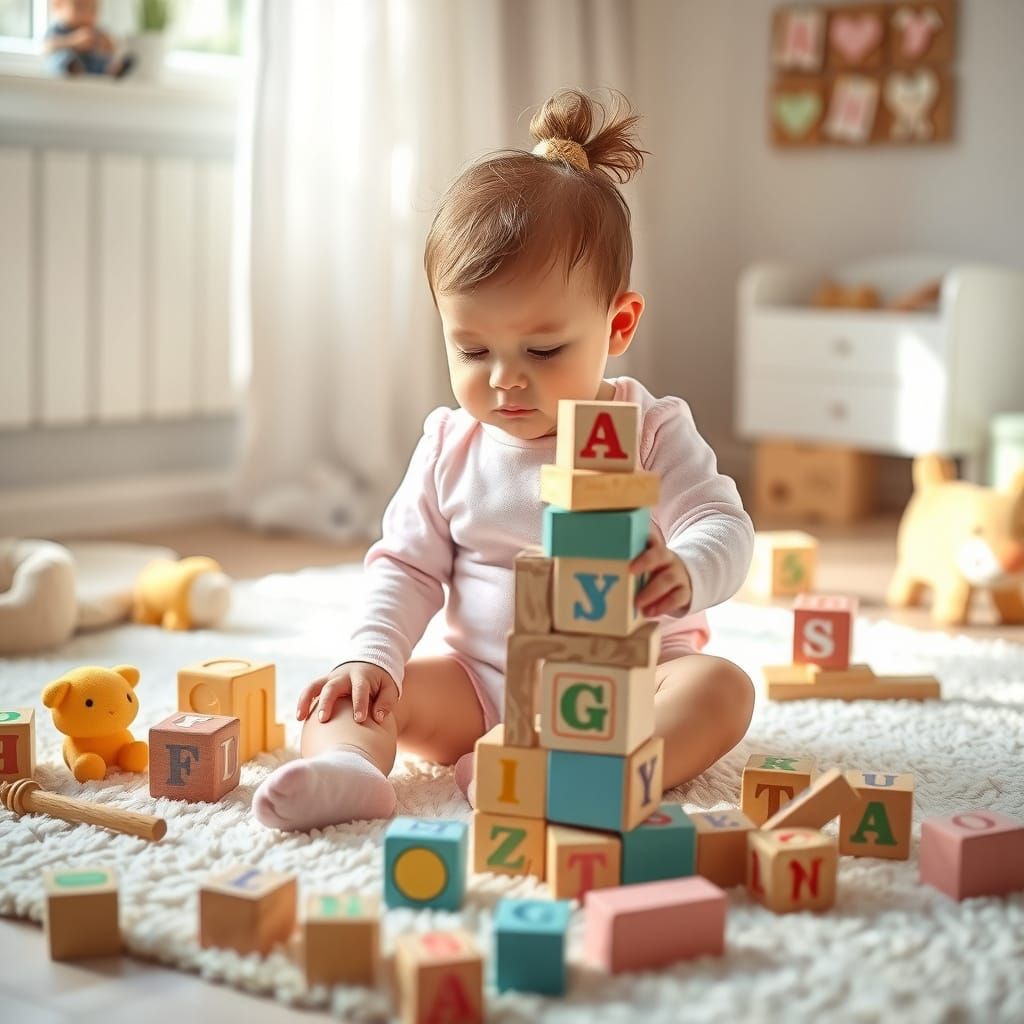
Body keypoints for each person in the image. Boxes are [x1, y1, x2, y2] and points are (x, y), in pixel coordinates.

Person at [253, 88, 756, 832]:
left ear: (617, 324)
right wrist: (373, 657)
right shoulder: (450, 444)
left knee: (720, 690)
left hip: (628, 686)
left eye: (543, 349)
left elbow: (724, 523)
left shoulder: (647, 427)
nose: (504, 378)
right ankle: (350, 769)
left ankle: (586, 774)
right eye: (473, 349)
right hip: (482, 690)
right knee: (354, 694)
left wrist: (683, 571)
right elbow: (406, 566)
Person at [44, 0, 134, 79]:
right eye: (80, 7)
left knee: (101, 60)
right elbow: (47, 48)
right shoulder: (59, 28)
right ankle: (73, 69)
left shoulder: (95, 32)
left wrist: (107, 45)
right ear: (58, 5)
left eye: (93, 9)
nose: (86, 14)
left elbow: (112, 48)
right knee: (63, 57)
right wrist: (73, 42)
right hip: (70, 65)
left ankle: (112, 71)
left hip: (90, 69)